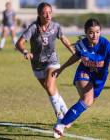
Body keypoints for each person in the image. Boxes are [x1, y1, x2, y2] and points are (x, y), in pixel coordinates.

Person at [52, 18, 110, 138]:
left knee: (88, 102)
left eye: (97, 32)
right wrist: (62, 68)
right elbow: (76, 57)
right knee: (87, 99)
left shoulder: (106, 44)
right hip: (84, 73)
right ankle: (61, 124)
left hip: (100, 79)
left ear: (100, 32)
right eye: (91, 32)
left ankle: (66, 120)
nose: (94, 35)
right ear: (86, 32)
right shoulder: (82, 44)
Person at [15, 2, 75, 134]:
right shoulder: (33, 28)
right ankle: (68, 114)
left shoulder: (56, 26)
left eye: (50, 12)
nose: (48, 15)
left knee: (49, 86)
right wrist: (25, 52)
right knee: (51, 90)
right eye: (44, 13)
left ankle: (60, 119)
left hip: (52, 61)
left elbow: (64, 39)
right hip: (36, 64)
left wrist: (74, 52)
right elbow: (19, 43)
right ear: (39, 14)